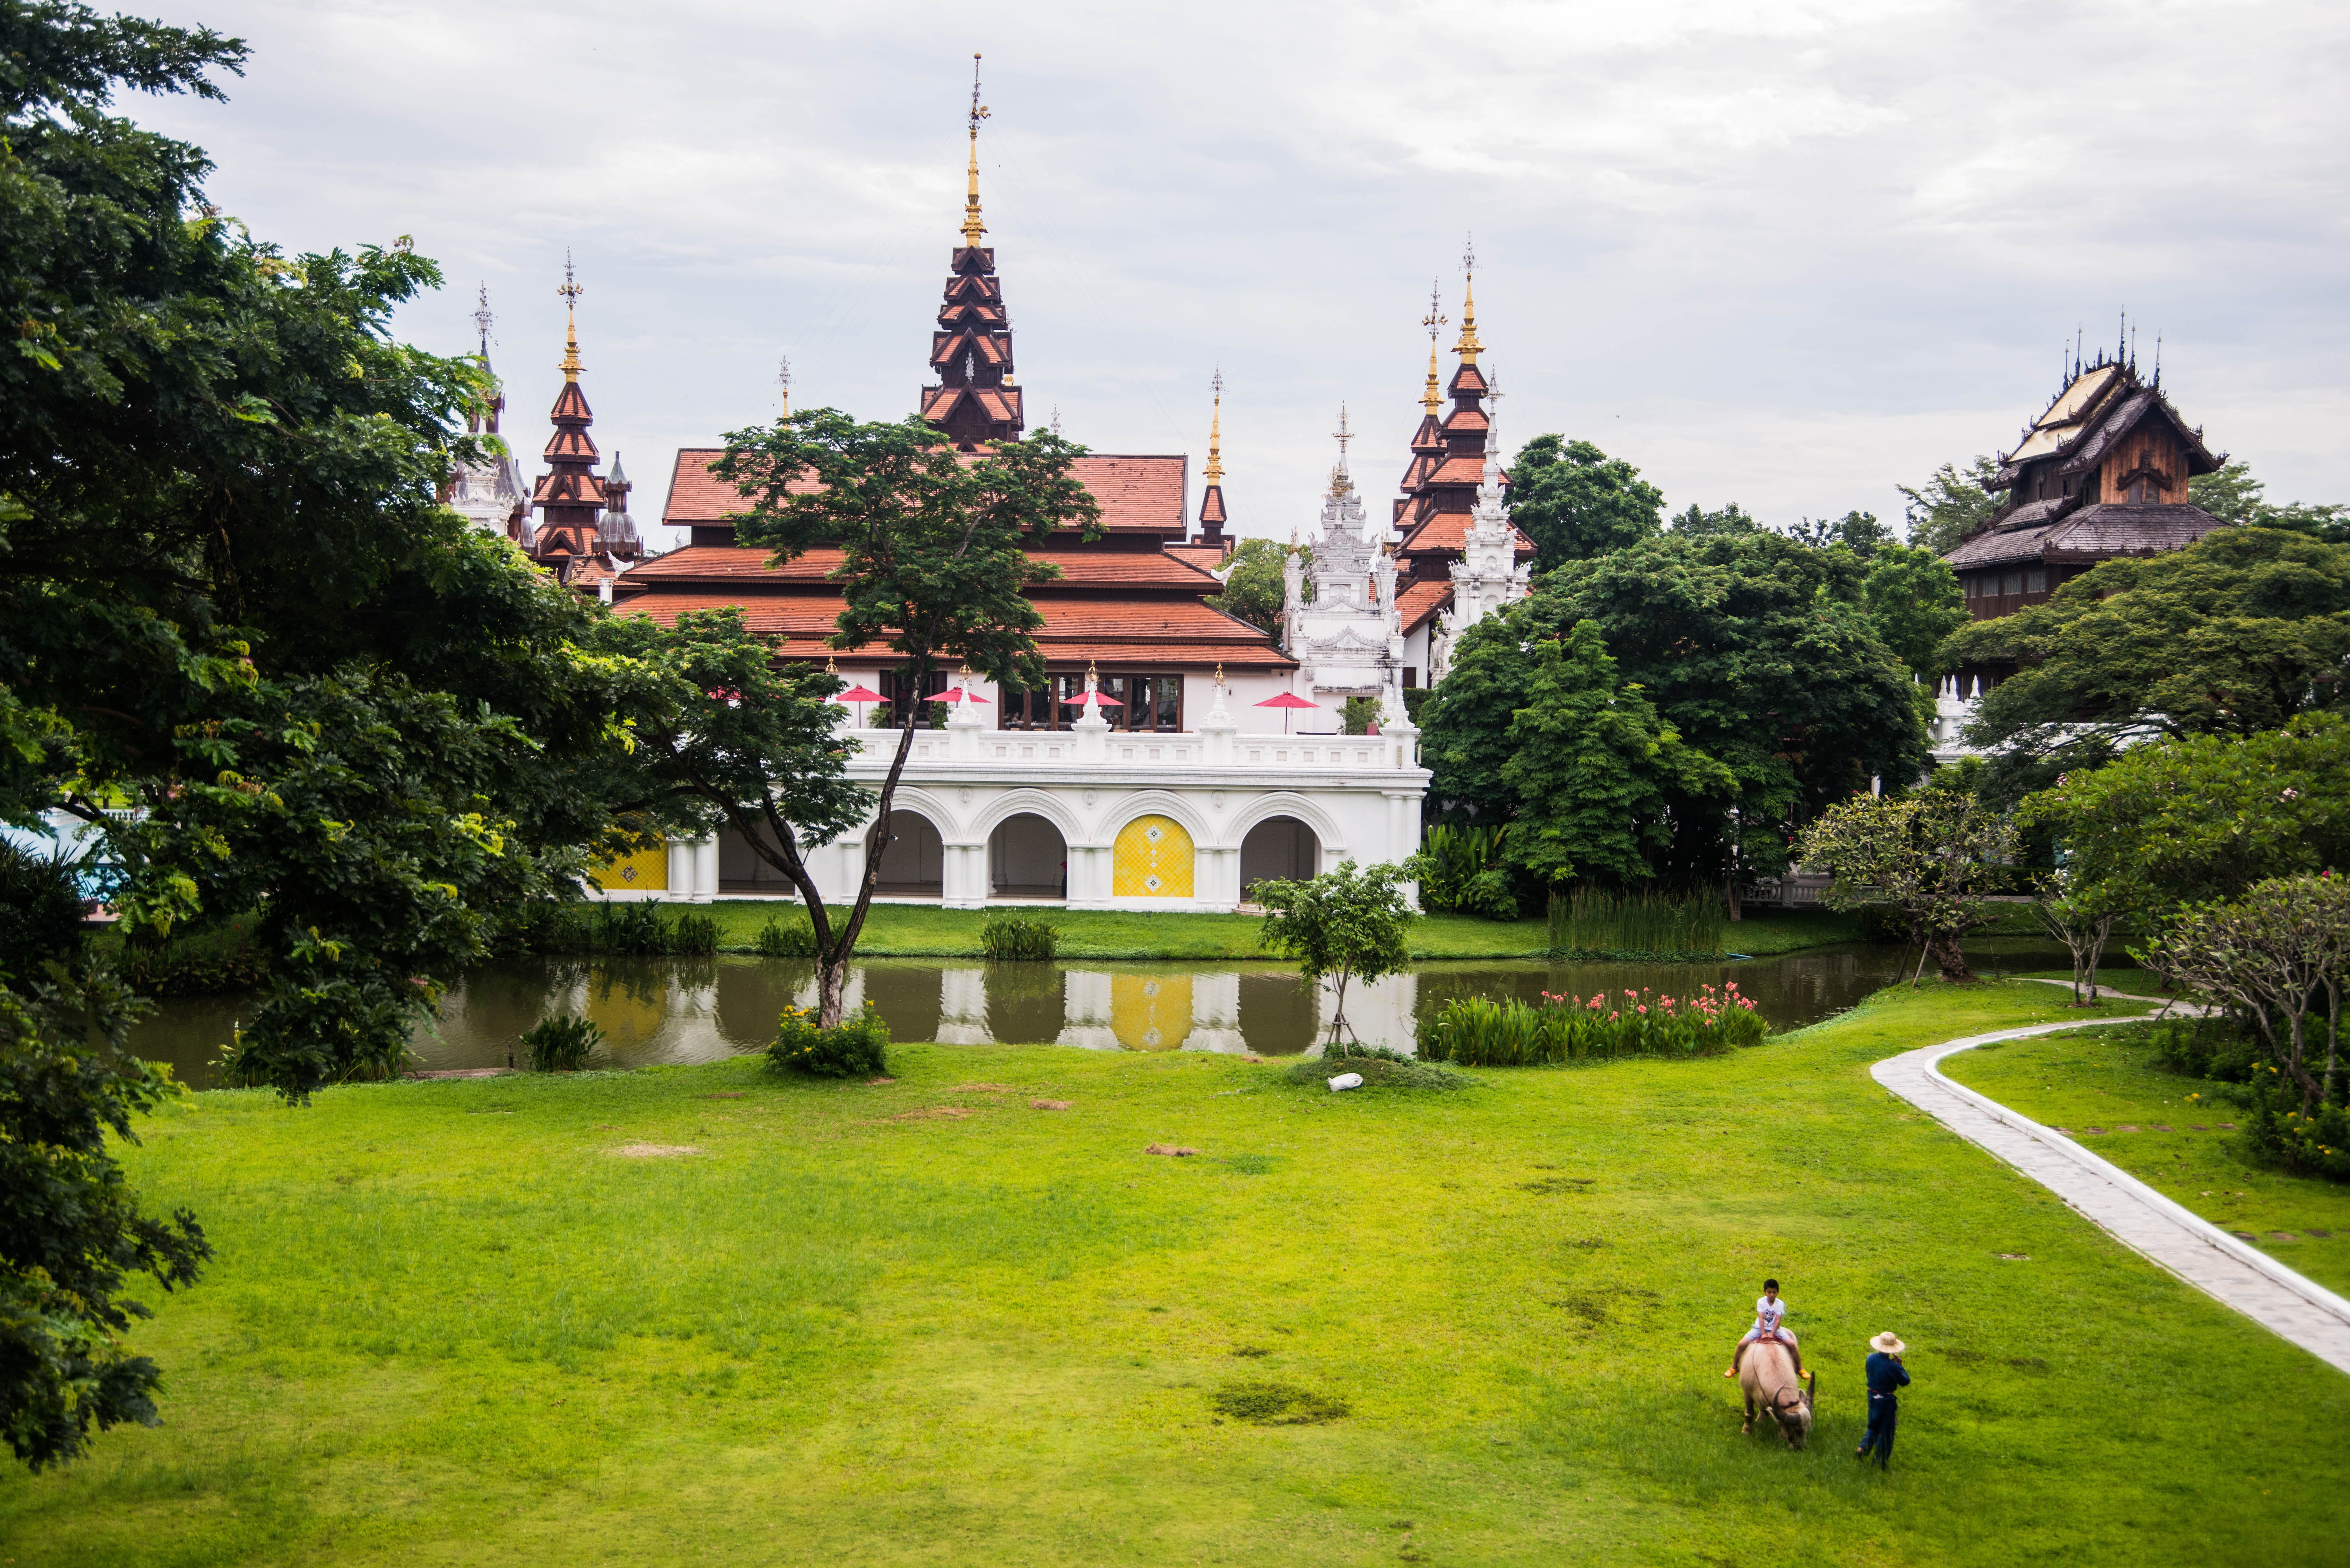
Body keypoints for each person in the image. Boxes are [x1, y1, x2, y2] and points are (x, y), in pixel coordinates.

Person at [1723, 1278, 1803, 1379]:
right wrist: (1763, 1333)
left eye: (1774, 1293)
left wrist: (1773, 1333)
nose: (1772, 1295)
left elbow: (1778, 1320)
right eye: (1769, 1292)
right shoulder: (1761, 1302)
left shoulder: (1780, 1304)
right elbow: (1761, 1318)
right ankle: (1734, 1367)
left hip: (1775, 1330)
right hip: (1759, 1329)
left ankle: (1800, 1368)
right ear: (1764, 1292)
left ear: (1778, 1293)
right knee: (1741, 1344)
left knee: (1792, 1344)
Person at [1857, 1331, 1909, 1467]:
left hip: (1872, 1397)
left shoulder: (1870, 1358)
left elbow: (1881, 1369)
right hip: (1886, 1400)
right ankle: (1880, 1462)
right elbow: (1905, 1381)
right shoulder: (1894, 1367)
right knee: (1886, 1430)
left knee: (1873, 1424)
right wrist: (1900, 1367)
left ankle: (1863, 1448)